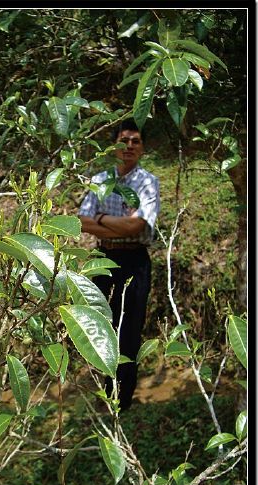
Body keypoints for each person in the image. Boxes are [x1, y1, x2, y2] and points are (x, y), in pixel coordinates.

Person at [78, 119, 160, 411]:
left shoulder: (147, 182)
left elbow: (136, 226)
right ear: (115, 146)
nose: (129, 146)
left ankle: (121, 400)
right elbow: (81, 222)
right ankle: (104, 387)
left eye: (135, 141)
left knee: (129, 327)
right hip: (103, 259)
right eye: (124, 140)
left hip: (135, 260)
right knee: (101, 324)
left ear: (142, 148)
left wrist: (101, 221)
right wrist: (115, 225)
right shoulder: (99, 180)